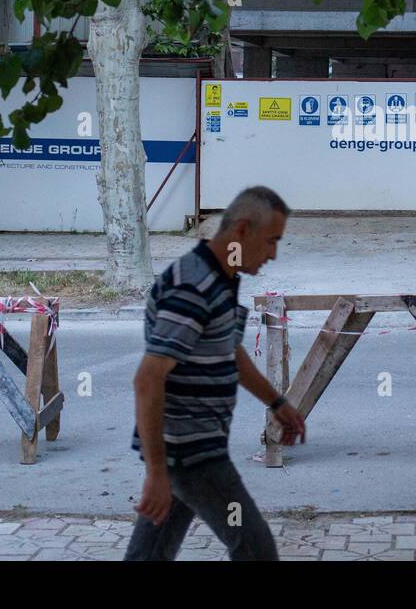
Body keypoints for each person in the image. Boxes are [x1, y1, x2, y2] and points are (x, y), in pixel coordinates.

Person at [124, 185, 305, 561]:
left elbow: (228, 350)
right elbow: (148, 378)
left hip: (184, 453)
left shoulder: (222, 277)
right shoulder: (193, 287)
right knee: (256, 550)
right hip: (191, 455)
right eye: (271, 241)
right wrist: (157, 472)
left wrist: (276, 402)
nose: (273, 254)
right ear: (242, 231)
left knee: (149, 557)